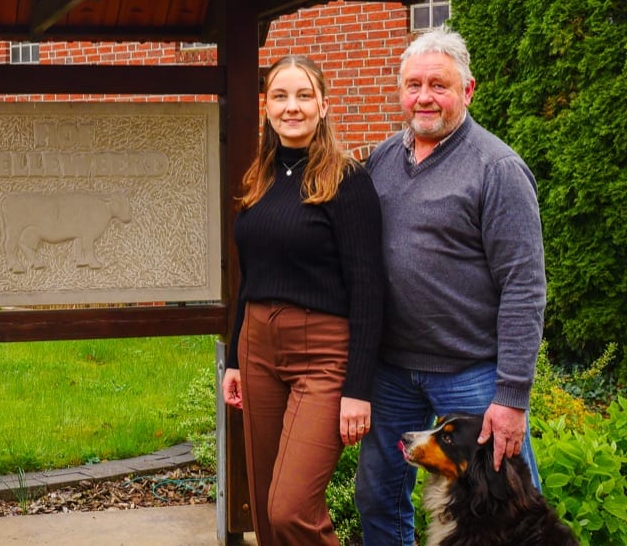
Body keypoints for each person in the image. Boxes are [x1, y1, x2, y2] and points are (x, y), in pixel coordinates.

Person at [354, 27, 547, 546]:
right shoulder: (381, 162)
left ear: (468, 90)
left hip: (472, 375)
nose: (423, 96)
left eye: (438, 84)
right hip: (391, 371)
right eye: (413, 84)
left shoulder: (498, 168)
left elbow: (524, 287)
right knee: (378, 496)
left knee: (510, 509)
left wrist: (512, 397)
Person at [220, 55, 386, 545]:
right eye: (280, 96)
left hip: (323, 354)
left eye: (303, 96)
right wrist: (233, 358)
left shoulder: (347, 181)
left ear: (323, 106)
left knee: (292, 509)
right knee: (267, 515)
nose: (291, 107)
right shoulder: (260, 178)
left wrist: (358, 388)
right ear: (266, 106)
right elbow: (250, 276)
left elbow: (369, 288)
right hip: (258, 348)